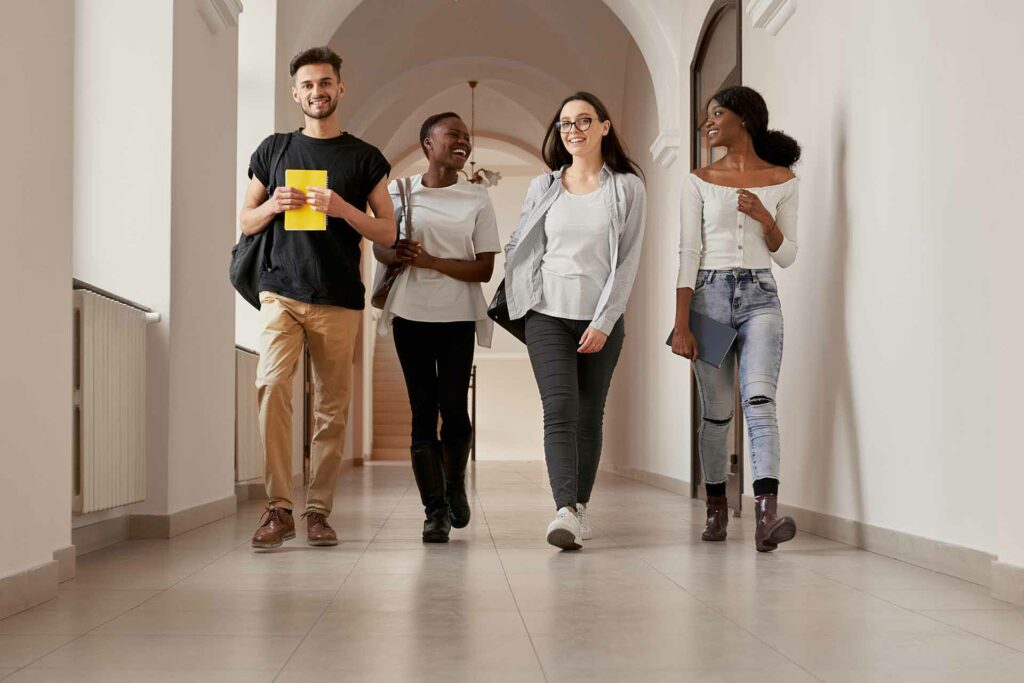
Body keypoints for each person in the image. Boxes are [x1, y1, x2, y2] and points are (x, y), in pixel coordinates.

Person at [240, 47, 395, 549]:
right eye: (307, 85)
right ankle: (278, 507)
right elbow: (245, 220)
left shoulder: (365, 157)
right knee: (271, 386)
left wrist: (343, 208)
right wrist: (272, 206)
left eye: (325, 83)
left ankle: (318, 512)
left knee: (332, 408)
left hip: (338, 296)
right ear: (295, 93)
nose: (317, 92)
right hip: (279, 289)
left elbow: (388, 233)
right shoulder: (274, 150)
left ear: (340, 88)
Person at [503, 92, 646, 550]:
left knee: (589, 415)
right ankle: (563, 508)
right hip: (546, 314)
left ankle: (580, 507)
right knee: (559, 410)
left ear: (605, 126)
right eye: (565, 123)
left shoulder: (626, 187)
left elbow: (627, 262)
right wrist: (522, 291)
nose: (573, 130)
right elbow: (521, 242)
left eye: (584, 120)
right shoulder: (543, 186)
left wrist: (605, 319)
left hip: (601, 317)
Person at [671, 85, 801, 552]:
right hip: (707, 297)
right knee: (718, 415)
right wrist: (682, 322)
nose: (709, 122)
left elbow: (786, 256)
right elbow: (688, 252)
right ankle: (716, 508)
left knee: (760, 402)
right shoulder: (698, 180)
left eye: (717, 113)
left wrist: (767, 219)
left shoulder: (783, 179)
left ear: (742, 118)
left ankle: (767, 516)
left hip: (761, 295)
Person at [373, 112, 500, 543]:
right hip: (410, 313)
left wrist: (430, 262)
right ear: (429, 144)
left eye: (467, 136)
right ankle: (435, 512)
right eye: (453, 135)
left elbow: (484, 268)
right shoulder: (399, 191)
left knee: (455, 411)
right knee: (422, 414)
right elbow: (379, 247)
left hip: (458, 316)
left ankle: (453, 483)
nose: (463, 141)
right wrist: (396, 253)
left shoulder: (477, 198)